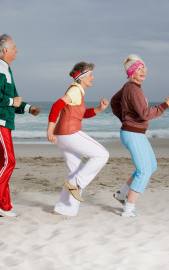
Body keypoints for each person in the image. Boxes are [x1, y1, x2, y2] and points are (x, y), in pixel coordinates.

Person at [0, 34, 41, 217]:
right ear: (5, 50)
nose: (16, 50)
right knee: (8, 161)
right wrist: (12, 102)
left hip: (4, 120)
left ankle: (0, 203)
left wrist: (28, 108)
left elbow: (15, 99)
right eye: (14, 47)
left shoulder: (6, 69)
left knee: (4, 161)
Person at [111, 54, 169, 217]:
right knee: (144, 170)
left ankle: (121, 194)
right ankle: (128, 210)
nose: (143, 70)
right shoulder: (133, 88)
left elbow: (114, 101)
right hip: (132, 133)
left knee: (151, 166)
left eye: (144, 67)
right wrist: (165, 105)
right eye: (139, 68)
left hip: (134, 132)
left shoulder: (130, 87)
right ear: (131, 72)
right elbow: (145, 114)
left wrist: (126, 118)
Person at [47, 62, 109, 217]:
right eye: (91, 75)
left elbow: (82, 114)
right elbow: (56, 106)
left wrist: (99, 109)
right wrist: (49, 131)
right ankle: (76, 183)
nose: (93, 78)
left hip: (63, 136)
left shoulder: (78, 91)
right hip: (70, 133)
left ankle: (62, 209)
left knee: (74, 171)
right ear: (81, 78)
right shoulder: (75, 90)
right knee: (102, 154)